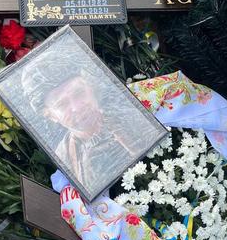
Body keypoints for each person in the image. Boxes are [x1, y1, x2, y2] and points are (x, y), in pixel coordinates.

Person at [20, 50, 152, 199]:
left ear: (90, 87)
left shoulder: (131, 115)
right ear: (50, 115)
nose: (76, 107)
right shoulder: (64, 155)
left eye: (79, 93)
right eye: (62, 104)